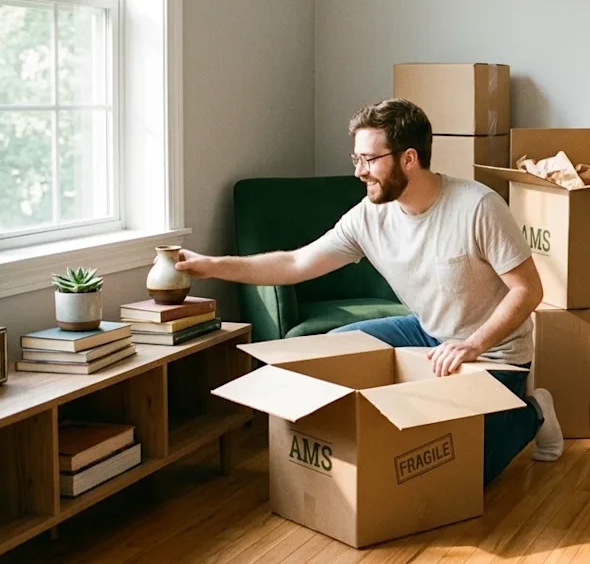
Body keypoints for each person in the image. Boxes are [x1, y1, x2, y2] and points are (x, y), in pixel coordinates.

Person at [173, 98, 564, 485]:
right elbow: (295, 264)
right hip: (428, 332)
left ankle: (534, 411)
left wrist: (473, 345)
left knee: (463, 470)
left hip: (495, 350)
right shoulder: (368, 215)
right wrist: (212, 265)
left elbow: (528, 291)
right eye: (356, 159)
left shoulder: (477, 207)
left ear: (408, 158)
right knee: (332, 351)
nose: (360, 172)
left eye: (369, 160)